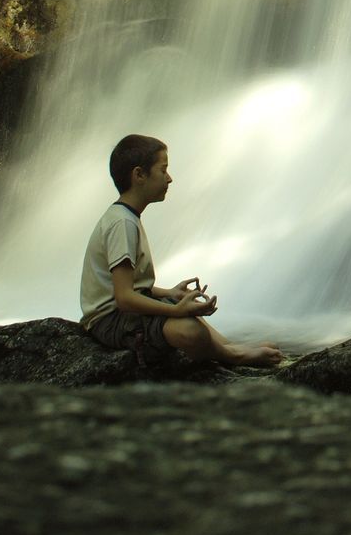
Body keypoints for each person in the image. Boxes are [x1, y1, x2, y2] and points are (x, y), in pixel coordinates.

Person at [80, 133, 284, 368]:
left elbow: (125, 285)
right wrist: (176, 310)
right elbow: (124, 297)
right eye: (163, 170)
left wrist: (170, 294)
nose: (169, 178)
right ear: (139, 175)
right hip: (110, 322)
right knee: (188, 329)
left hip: (122, 314)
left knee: (185, 311)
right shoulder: (122, 224)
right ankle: (233, 356)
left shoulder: (125, 217)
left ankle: (229, 345)